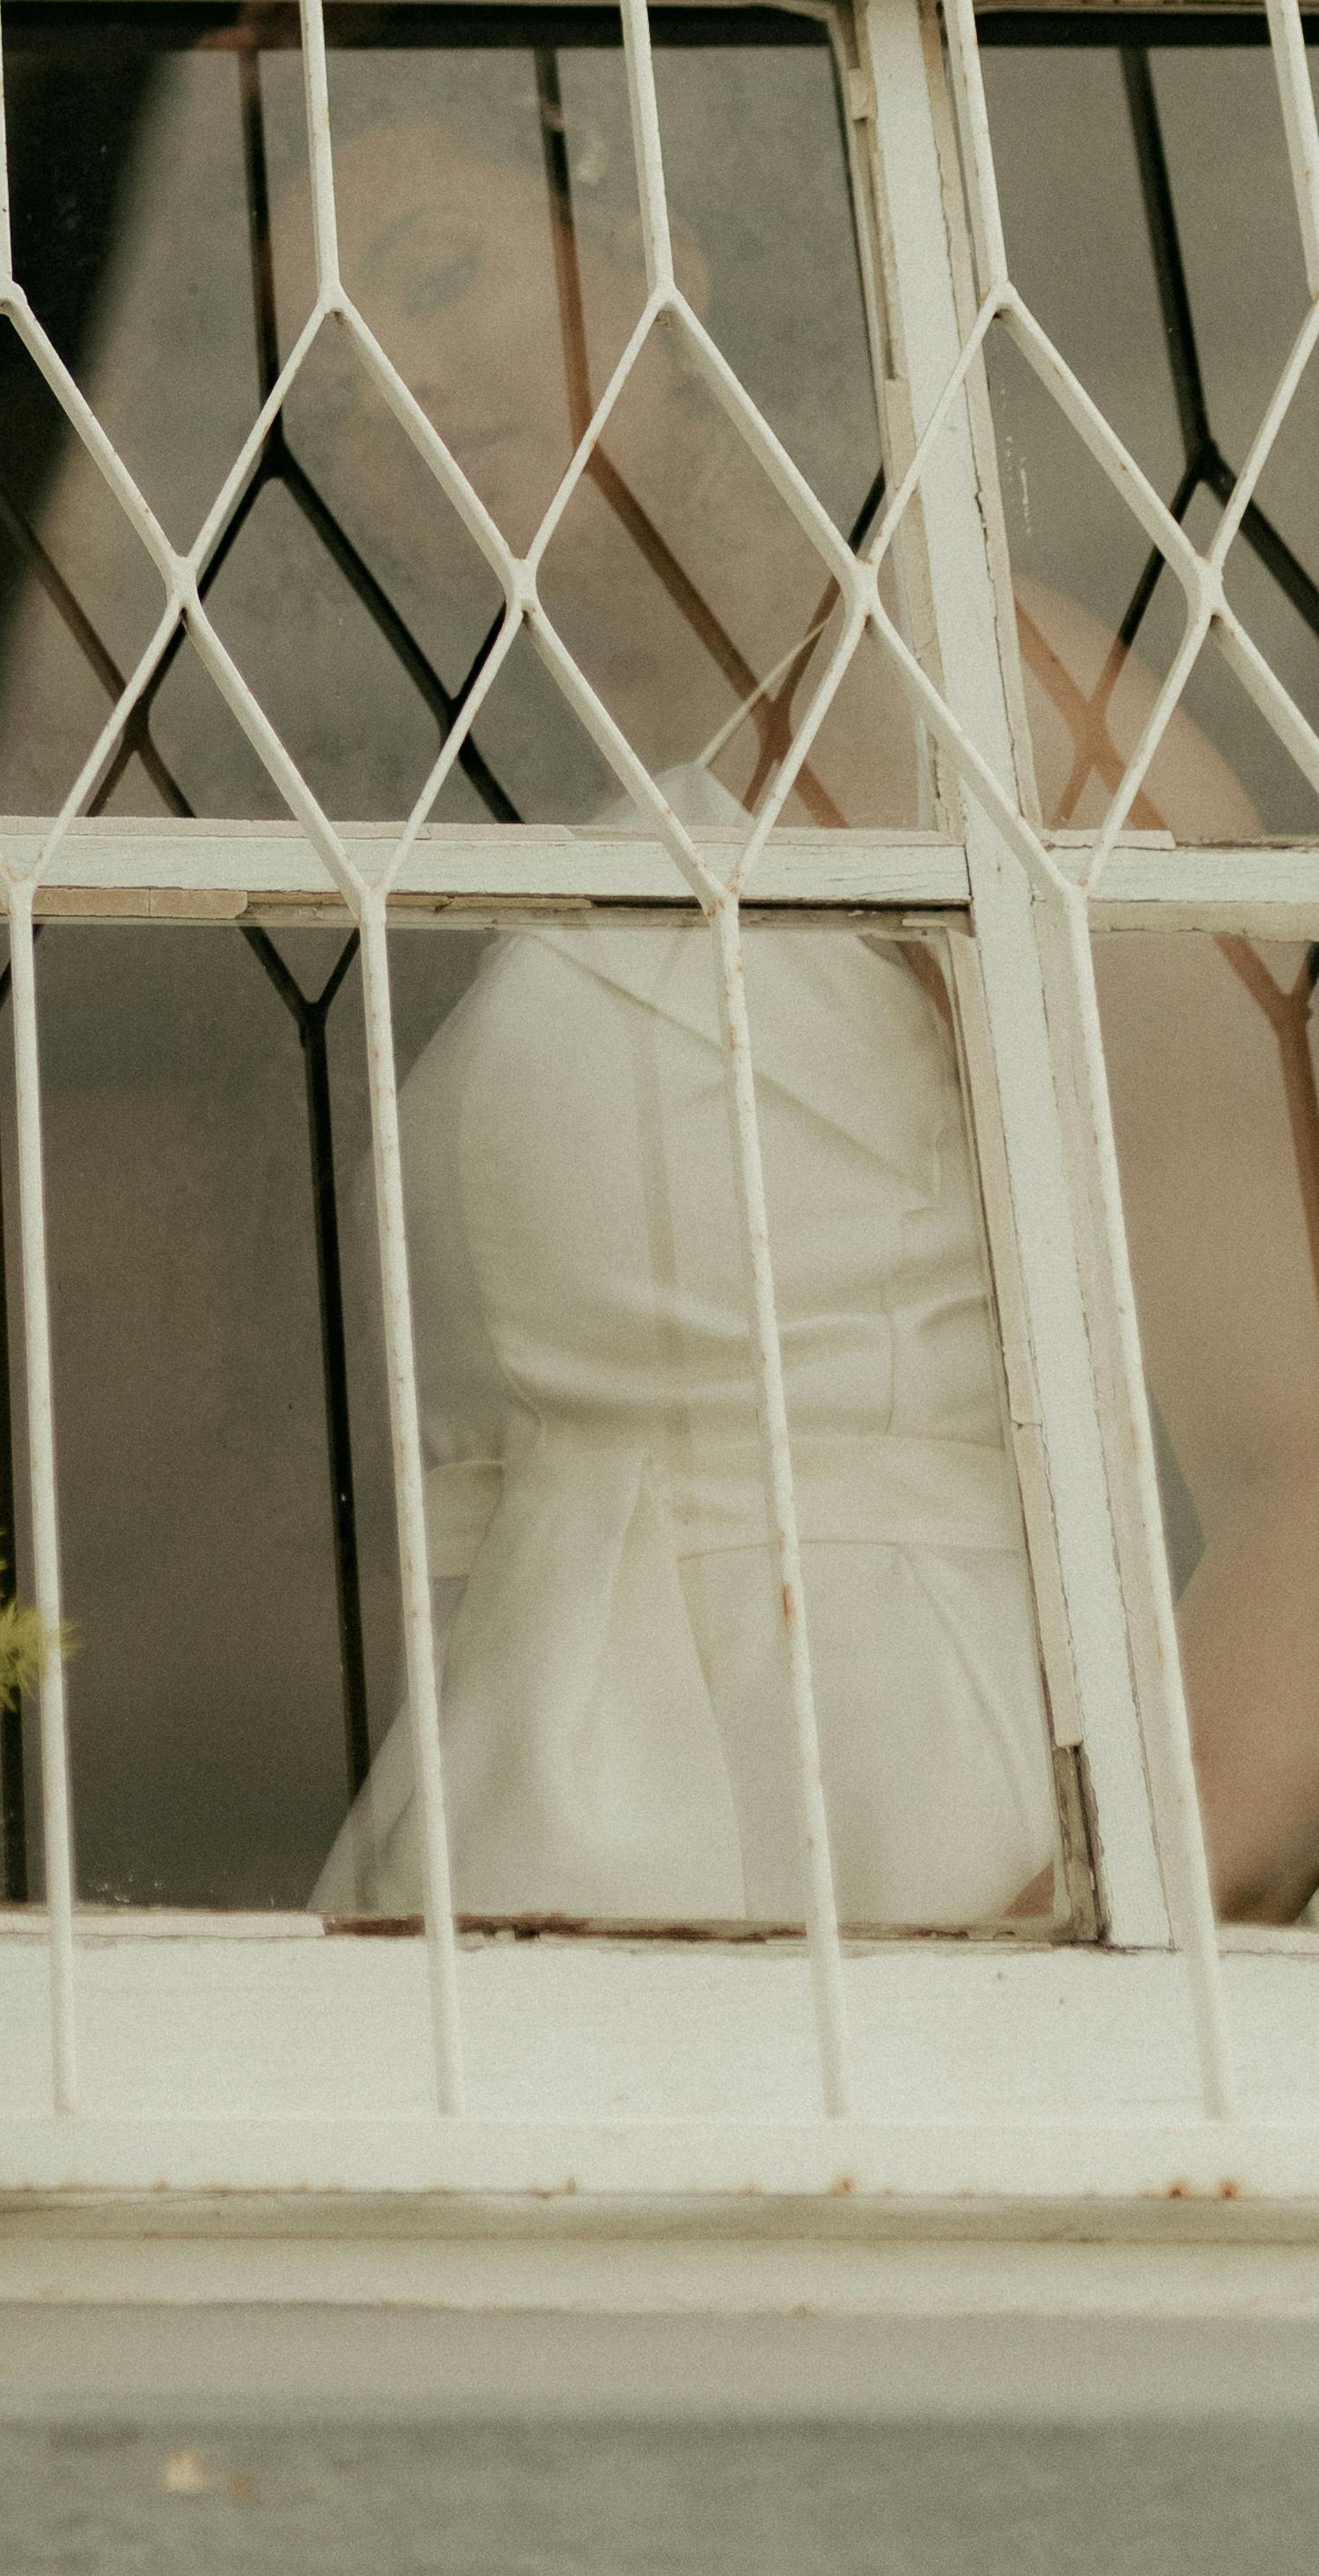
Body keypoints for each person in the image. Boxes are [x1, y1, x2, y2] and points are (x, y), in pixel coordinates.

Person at [282, 107, 1319, 1932]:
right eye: (324, 385)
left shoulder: (969, 709)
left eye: (435, 277)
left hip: (897, 1836)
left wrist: (1097, 1939)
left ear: (661, 262)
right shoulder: (595, 810)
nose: (394, 394)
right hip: (522, 1861)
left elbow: (1299, 1466)